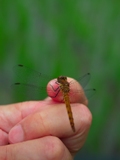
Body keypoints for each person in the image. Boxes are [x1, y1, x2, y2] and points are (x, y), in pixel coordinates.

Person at [0, 77, 92, 160]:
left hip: (66, 103)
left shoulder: (60, 87)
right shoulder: (65, 87)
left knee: (52, 148)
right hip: (65, 103)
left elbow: (55, 91)